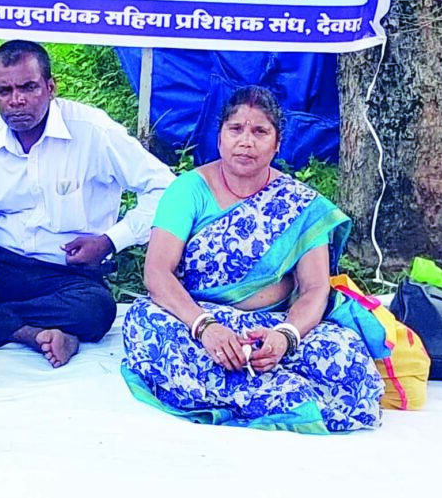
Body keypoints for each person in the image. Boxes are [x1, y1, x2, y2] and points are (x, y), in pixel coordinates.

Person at [117, 86, 383, 433]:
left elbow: (315, 288)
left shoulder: (300, 204)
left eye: (260, 131)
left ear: (277, 143)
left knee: (345, 355)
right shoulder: (188, 191)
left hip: (271, 326)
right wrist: (206, 327)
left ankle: (262, 387)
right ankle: (289, 395)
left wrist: (286, 336)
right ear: (219, 138)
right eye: (236, 129)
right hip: (193, 320)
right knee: (145, 323)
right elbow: (157, 274)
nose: (246, 142)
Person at [0, 40, 176, 367]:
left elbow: (166, 189)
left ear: (51, 87)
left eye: (29, 87)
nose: (17, 100)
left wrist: (109, 241)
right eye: (5, 91)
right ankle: (30, 332)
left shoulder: (93, 131)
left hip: (69, 275)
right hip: (2, 268)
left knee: (96, 310)